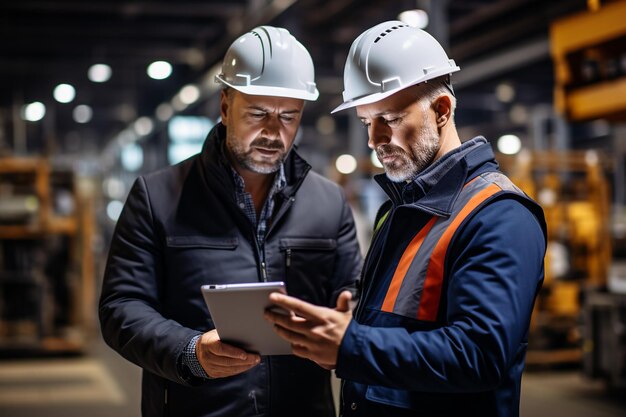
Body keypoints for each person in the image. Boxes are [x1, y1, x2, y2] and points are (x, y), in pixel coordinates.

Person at [265, 21, 547, 417]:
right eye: (367, 122)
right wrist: (352, 322)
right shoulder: (396, 209)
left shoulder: (499, 215)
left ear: (442, 109)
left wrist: (352, 345)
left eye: (390, 119)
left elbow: (480, 355)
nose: (374, 139)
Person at [99, 25, 362, 417]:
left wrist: (350, 325)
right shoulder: (157, 197)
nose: (274, 132)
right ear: (225, 107)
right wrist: (189, 351)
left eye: (289, 117)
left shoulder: (329, 203)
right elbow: (122, 307)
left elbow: (352, 292)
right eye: (258, 114)